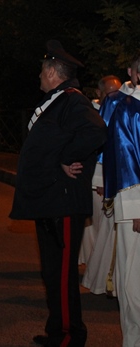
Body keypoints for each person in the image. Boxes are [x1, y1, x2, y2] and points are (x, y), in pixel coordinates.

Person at [10, 40, 107, 347]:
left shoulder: (73, 101)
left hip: (62, 203)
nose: (39, 75)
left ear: (53, 72)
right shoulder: (57, 101)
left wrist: (68, 157)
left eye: (43, 70)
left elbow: (96, 130)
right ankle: (58, 330)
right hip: (50, 202)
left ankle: (69, 337)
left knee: (62, 274)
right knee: (52, 273)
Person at [102, 52, 140, 347]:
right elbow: (125, 158)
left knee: (133, 280)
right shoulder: (128, 109)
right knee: (132, 281)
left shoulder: (127, 109)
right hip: (135, 209)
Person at [80, 74, 122, 296]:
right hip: (99, 179)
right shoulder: (95, 112)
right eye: (109, 93)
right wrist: (102, 181)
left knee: (104, 232)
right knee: (99, 230)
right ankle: (99, 274)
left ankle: (101, 274)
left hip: (110, 180)